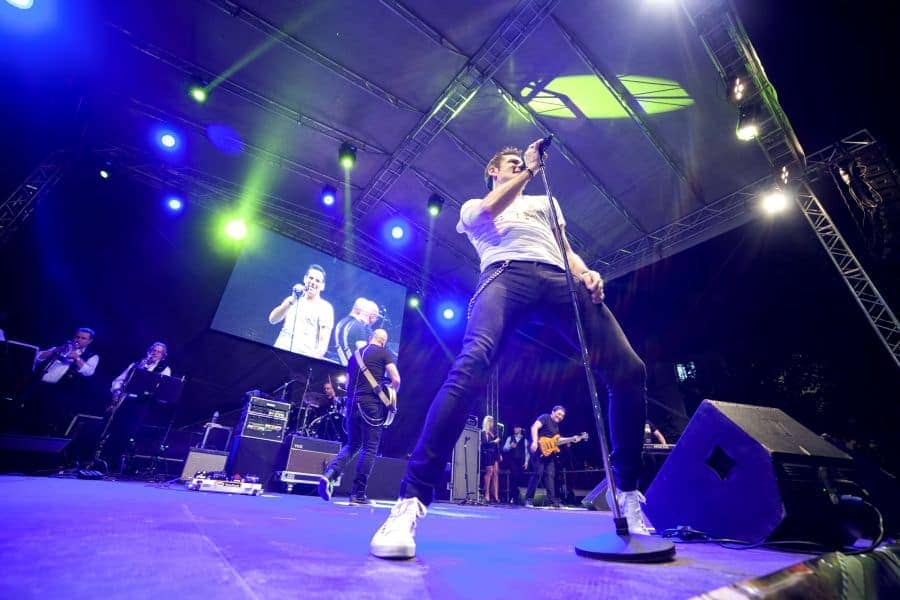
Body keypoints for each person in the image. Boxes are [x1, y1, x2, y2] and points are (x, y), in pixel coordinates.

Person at [370, 139, 650, 559]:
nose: (521, 165)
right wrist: (529, 170)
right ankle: (410, 500)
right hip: (504, 274)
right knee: (471, 366)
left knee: (629, 370)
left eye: (523, 162)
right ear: (493, 171)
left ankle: (625, 493)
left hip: (559, 279)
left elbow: (566, 251)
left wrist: (587, 273)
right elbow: (488, 211)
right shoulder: (474, 205)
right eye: (513, 163)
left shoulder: (546, 204)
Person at [318, 329, 400, 505]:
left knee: (352, 444)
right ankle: (358, 495)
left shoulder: (354, 356)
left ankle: (330, 474)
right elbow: (396, 379)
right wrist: (391, 396)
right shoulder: (384, 352)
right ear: (383, 341)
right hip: (370, 406)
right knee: (369, 448)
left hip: (351, 404)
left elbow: (348, 383)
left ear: (370, 338)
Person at [104, 342, 173, 471]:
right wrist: (116, 391)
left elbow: (162, 390)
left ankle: (114, 465)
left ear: (163, 356)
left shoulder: (164, 369)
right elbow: (120, 379)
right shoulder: (136, 364)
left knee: (126, 433)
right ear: (149, 351)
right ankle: (102, 461)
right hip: (125, 401)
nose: (155, 353)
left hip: (141, 404)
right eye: (153, 350)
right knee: (112, 430)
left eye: (159, 352)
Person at [28, 327, 99, 435]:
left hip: (60, 393)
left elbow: (88, 372)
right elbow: (37, 357)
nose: (78, 340)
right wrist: (55, 351)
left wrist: (77, 358)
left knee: (44, 422)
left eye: (83, 338)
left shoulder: (92, 356)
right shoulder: (62, 347)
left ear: (90, 341)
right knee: (28, 415)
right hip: (40, 386)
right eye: (77, 337)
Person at [268, 264, 334, 358]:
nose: (313, 282)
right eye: (311, 278)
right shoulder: (292, 299)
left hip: (302, 357)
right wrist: (293, 300)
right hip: (279, 352)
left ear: (322, 286)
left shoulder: (325, 308)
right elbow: (273, 319)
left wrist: (310, 361)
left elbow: (323, 345)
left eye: (317, 281)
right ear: (305, 279)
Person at [524, 406, 569, 508]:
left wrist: (572, 439)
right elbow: (534, 427)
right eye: (559, 414)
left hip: (549, 453)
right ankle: (528, 499)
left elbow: (557, 441)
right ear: (553, 412)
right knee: (538, 473)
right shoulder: (545, 417)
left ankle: (552, 502)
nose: (560, 417)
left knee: (550, 475)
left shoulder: (556, 427)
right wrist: (534, 441)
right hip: (538, 450)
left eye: (562, 416)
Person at [333, 298, 380, 365]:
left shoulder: (342, 322)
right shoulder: (359, 327)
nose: (375, 320)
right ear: (372, 316)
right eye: (376, 317)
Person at [502, 425, 529, 502]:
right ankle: (513, 497)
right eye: (514, 428)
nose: (515, 429)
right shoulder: (510, 438)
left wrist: (526, 462)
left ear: (520, 429)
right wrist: (510, 446)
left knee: (519, 479)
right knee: (514, 477)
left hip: (520, 462)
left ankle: (516, 497)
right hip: (512, 461)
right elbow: (504, 449)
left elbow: (527, 452)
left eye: (517, 428)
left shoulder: (525, 440)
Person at [481, 415, 502, 503]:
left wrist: (499, 454)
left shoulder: (493, 433)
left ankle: (496, 495)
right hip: (487, 454)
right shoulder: (483, 433)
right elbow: (485, 444)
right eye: (491, 422)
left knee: (496, 474)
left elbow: (497, 446)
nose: (492, 424)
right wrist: (494, 441)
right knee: (489, 472)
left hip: (494, 454)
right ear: (488, 422)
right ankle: (487, 494)